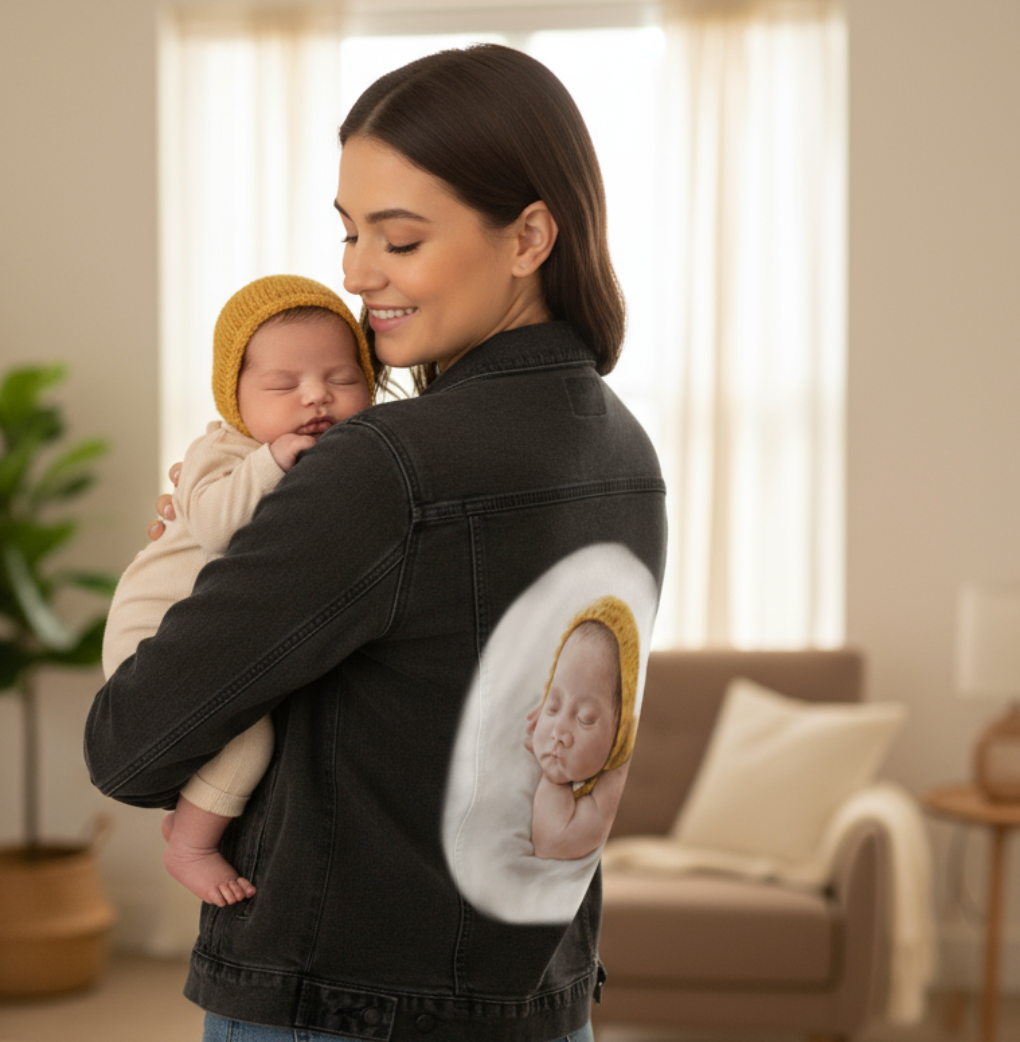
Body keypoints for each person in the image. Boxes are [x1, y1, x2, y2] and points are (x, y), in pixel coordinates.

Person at [86, 44, 667, 1042]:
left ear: (529, 235)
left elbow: (130, 742)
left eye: (397, 241)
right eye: (351, 233)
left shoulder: (387, 464)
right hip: (538, 997)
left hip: (343, 1004)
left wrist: (192, 560)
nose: (355, 274)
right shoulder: (624, 448)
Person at [102, 274, 374, 907]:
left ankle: (193, 815)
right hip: (154, 632)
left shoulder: (343, 454)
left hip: (216, 633)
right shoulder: (221, 452)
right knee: (248, 733)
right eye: (282, 385)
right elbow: (222, 527)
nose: (316, 398)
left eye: (342, 380)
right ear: (235, 398)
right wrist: (270, 461)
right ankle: (190, 845)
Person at [525, 598, 640, 862]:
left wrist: (554, 780)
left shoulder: (610, 783)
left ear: (620, 733)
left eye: (585, 718)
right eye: (552, 707)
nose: (559, 732)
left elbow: (553, 841)